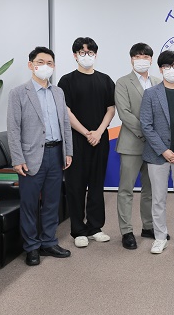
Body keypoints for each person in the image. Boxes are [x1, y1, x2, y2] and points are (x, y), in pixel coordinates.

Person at [7, 46, 73, 266]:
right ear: (31, 65)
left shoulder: (58, 92)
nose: (45, 66)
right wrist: (17, 158)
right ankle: (32, 247)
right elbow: (13, 128)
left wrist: (68, 151)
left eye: (49, 63)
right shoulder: (18, 93)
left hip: (56, 153)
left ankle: (48, 242)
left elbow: (65, 124)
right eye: (40, 62)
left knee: (52, 202)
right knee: (29, 204)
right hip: (31, 156)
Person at [58, 37, 115, 248]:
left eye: (90, 52)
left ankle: (95, 227)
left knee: (97, 185)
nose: (87, 56)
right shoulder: (67, 81)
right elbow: (66, 111)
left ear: (95, 55)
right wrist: (85, 133)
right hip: (76, 140)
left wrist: (98, 132)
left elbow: (111, 109)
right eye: (82, 53)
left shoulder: (105, 80)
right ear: (75, 55)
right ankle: (78, 230)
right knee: (76, 186)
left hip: (100, 139)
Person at [140, 50, 174, 255]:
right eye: (167, 66)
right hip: (157, 156)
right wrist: (163, 150)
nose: (172, 70)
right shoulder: (150, 94)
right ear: (160, 69)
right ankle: (160, 237)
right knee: (158, 199)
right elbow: (146, 125)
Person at [115, 43, 162, 250]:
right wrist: (148, 133)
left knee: (150, 190)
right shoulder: (123, 82)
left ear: (151, 60)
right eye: (137, 56)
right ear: (131, 59)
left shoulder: (158, 82)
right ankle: (126, 231)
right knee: (126, 190)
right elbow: (124, 113)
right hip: (131, 143)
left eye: (145, 56)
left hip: (154, 147)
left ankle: (148, 226)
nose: (141, 60)